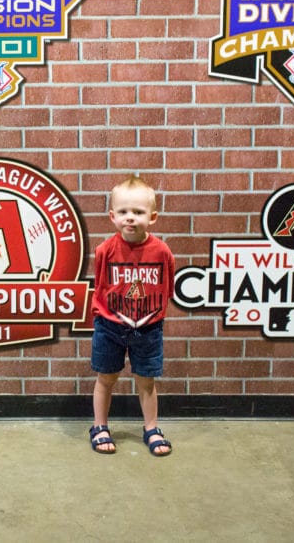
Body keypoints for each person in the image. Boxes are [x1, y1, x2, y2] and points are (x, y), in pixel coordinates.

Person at [88, 175, 175, 457]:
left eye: (138, 212)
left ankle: (151, 428)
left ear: (152, 217)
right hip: (110, 325)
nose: (130, 218)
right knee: (106, 378)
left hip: (148, 327)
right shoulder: (105, 250)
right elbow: (101, 285)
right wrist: (103, 315)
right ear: (113, 216)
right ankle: (99, 426)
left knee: (146, 381)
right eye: (123, 212)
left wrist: (154, 315)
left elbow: (168, 285)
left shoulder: (161, 251)